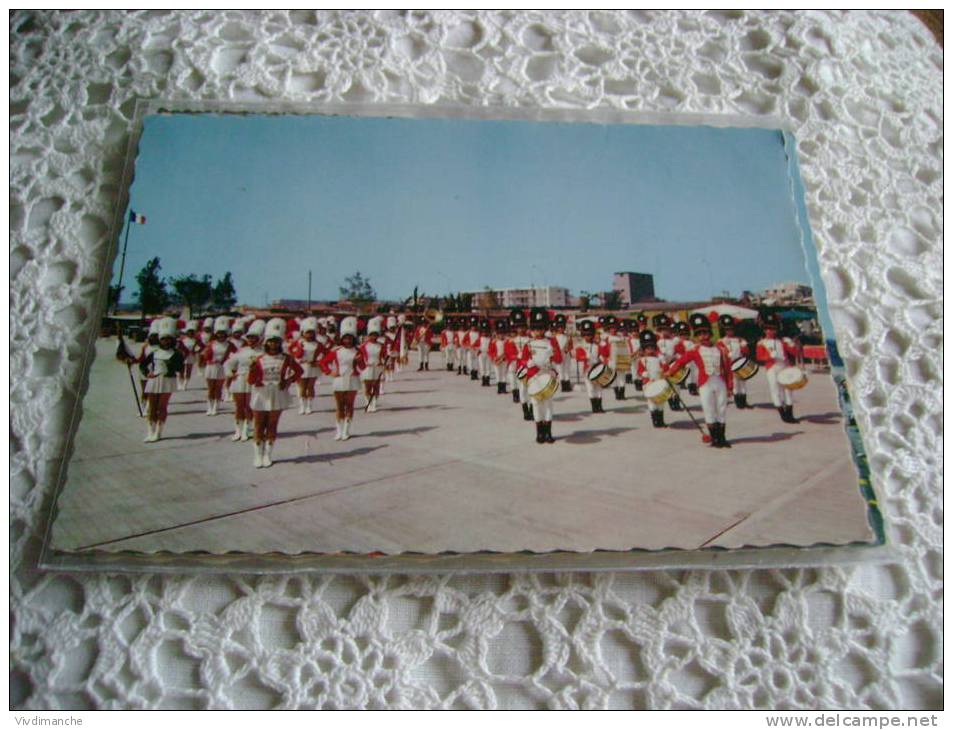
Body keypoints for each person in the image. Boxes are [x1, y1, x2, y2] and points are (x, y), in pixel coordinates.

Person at [665, 318, 734, 448]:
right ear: (696, 336)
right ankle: (715, 438)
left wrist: (730, 386)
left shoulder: (720, 349)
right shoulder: (695, 350)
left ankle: (722, 437)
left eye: (705, 333)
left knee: (721, 409)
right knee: (709, 409)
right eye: (699, 334)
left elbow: (727, 368)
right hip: (705, 384)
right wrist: (670, 372)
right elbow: (681, 361)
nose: (703, 336)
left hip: (720, 383)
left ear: (711, 334)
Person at [247, 318, 303, 467]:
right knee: (259, 425)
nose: (273, 344)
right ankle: (258, 455)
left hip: (277, 394)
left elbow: (299, 371)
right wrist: (252, 370)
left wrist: (288, 381)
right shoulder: (258, 359)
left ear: (280, 343)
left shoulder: (287, 359)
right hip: (261, 393)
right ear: (266, 342)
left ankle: (268, 455)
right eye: (271, 341)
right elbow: (251, 381)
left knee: (272, 424)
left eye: (276, 341)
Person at [320, 316, 366, 441]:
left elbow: (363, 367)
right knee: (340, 406)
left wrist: (360, 361)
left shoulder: (358, 351)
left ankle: (347, 430)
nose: (348, 340)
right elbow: (323, 362)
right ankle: (338, 430)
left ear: (353, 338)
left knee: (349, 405)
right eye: (345, 338)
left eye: (350, 338)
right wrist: (330, 372)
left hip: (352, 380)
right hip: (339, 380)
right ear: (342, 338)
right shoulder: (336, 351)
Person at [520, 308, 563, 444]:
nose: (538, 331)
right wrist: (529, 363)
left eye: (541, 328)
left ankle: (548, 432)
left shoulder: (552, 342)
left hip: (547, 375)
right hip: (534, 378)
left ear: (545, 328)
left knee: (548, 405)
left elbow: (559, 359)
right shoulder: (528, 344)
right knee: (536, 404)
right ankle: (539, 433)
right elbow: (523, 359)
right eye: (535, 328)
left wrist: (554, 354)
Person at [139, 317, 185, 442]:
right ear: (160, 340)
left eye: (168, 339)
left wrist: (171, 368)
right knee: (152, 407)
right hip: (154, 381)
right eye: (163, 339)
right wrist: (148, 373)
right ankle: (150, 431)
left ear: (172, 340)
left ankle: (158, 432)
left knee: (162, 407)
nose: (166, 341)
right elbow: (142, 364)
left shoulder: (177, 354)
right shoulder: (154, 352)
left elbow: (180, 368)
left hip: (168, 381)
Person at [224, 318, 264, 442]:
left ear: (259, 339)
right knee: (239, 406)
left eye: (254, 338)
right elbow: (228, 364)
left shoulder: (262, 352)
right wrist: (231, 374)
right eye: (250, 338)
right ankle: (238, 430)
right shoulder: (241, 351)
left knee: (250, 406)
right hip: (240, 380)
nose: (251, 340)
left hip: (254, 381)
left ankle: (247, 429)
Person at [756, 316, 801, 423]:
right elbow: (759, 357)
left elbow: (794, 352)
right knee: (775, 390)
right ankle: (783, 414)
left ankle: (790, 414)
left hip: (784, 366)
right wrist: (769, 357)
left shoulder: (782, 341)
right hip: (772, 368)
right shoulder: (761, 343)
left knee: (788, 389)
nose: (770, 331)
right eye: (768, 329)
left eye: (773, 329)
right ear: (764, 330)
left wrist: (793, 344)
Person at [289, 317, 325, 415]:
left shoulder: (318, 344)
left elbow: (326, 354)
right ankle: (302, 406)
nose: (309, 334)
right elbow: (291, 351)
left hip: (312, 367)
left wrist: (318, 361)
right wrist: (295, 360)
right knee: (302, 387)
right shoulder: (298, 342)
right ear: (303, 332)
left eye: (311, 332)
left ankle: (309, 405)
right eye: (307, 332)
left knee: (310, 386)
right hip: (301, 367)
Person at [200, 316, 236, 415]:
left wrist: (229, 362)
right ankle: (209, 407)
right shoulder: (211, 343)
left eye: (223, 334)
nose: (221, 336)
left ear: (226, 334)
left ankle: (216, 407)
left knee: (218, 388)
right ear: (216, 334)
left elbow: (236, 355)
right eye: (219, 334)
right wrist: (208, 359)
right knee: (211, 388)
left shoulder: (230, 345)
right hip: (211, 367)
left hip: (222, 367)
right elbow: (205, 355)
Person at [574, 319, 610, 413]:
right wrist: (585, 356)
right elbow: (578, 357)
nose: (587, 337)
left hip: (598, 369)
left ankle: (599, 406)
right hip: (587, 370)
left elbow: (603, 355)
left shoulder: (597, 345)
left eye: (589, 334)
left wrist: (603, 357)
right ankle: (594, 407)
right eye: (585, 334)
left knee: (599, 387)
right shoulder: (580, 345)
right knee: (590, 388)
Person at [718, 315, 752, 409]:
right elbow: (719, 353)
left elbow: (746, 352)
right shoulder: (721, 341)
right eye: (727, 330)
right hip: (730, 365)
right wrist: (726, 354)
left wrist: (744, 346)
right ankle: (738, 402)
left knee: (743, 383)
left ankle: (744, 401)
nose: (730, 331)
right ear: (724, 330)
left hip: (740, 363)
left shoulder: (740, 339)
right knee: (735, 383)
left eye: (731, 329)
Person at [636, 330, 667, 427]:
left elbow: (665, 368)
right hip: (649, 383)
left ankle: (661, 419)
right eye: (648, 348)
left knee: (661, 402)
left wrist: (664, 363)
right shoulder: (642, 360)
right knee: (652, 402)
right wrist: (644, 373)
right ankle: (655, 420)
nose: (650, 350)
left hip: (659, 381)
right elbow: (639, 371)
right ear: (644, 350)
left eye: (652, 348)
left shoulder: (658, 359)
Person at [359, 316, 388, 412]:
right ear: (368, 335)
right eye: (372, 335)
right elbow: (359, 357)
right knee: (367, 387)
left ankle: (374, 403)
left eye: (375, 335)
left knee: (376, 387)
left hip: (377, 368)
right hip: (367, 368)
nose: (374, 337)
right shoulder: (363, 346)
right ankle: (368, 402)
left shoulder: (381, 345)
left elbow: (385, 356)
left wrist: (387, 358)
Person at [552, 314, 574, 392]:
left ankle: (568, 384)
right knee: (560, 370)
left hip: (566, 355)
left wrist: (568, 349)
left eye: (562, 327)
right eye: (559, 327)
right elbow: (553, 348)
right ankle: (563, 385)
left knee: (567, 369)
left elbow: (571, 346)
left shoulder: (567, 337)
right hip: (559, 356)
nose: (560, 328)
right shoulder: (554, 337)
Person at [177, 320, 201, 391]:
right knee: (181, 370)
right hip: (182, 357)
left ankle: (185, 384)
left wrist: (195, 351)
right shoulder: (182, 340)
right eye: (189, 332)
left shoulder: (196, 340)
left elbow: (198, 349)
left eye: (192, 332)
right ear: (186, 332)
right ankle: (180, 383)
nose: (190, 333)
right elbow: (179, 348)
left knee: (188, 371)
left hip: (190, 357)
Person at [488, 319, 510, 394]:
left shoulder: (507, 341)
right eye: (499, 333)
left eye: (503, 333)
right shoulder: (494, 342)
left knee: (504, 373)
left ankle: (503, 387)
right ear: (497, 334)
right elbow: (491, 351)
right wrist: (494, 357)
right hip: (496, 360)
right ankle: (499, 387)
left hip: (504, 359)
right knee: (497, 373)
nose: (501, 335)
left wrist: (504, 357)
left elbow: (508, 351)